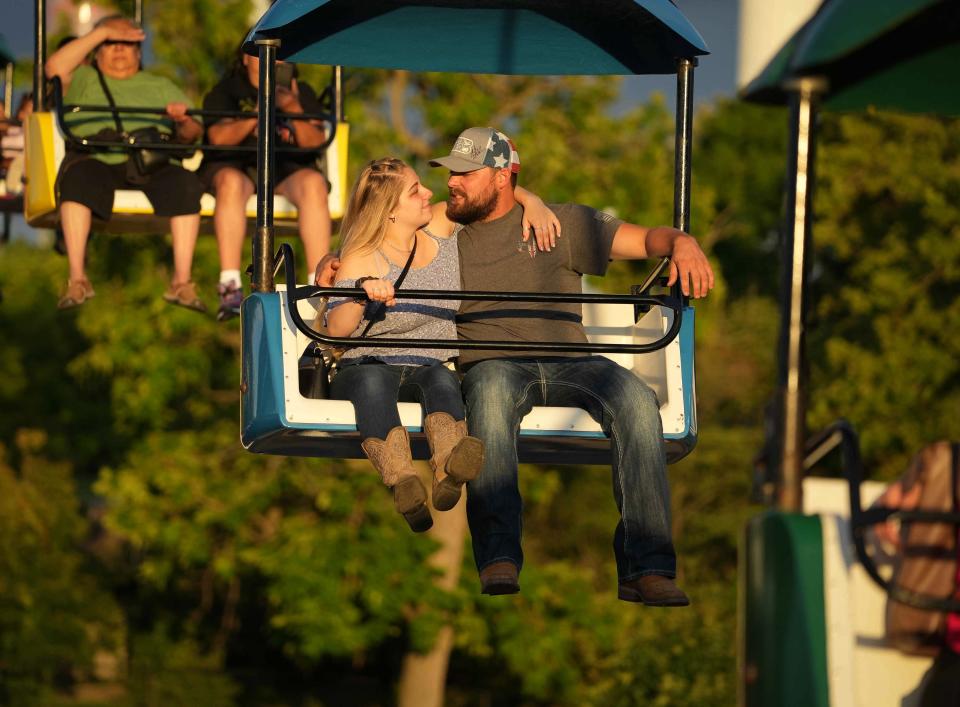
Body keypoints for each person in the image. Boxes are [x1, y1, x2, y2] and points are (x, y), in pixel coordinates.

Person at [427, 127, 715, 603]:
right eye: (451, 172)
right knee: (491, 393)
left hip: (570, 361)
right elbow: (381, 228)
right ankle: (498, 553)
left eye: (464, 172)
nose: (452, 182)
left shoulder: (564, 223)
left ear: (501, 178)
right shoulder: (446, 228)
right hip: (495, 361)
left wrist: (683, 242)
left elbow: (646, 240)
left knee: (637, 400)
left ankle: (647, 566)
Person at [326, 156, 560, 533]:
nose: (428, 193)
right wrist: (359, 293)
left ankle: (450, 467)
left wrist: (533, 202)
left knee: (442, 382)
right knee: (371, 384)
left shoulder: (438, 225)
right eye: (415, 190)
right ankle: (402, 480)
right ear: (389, 210)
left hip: (430, 360)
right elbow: (336, 331)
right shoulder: (362, 255)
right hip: (369, 361)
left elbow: (491, 191)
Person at [45, 15, 206, 311]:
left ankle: (181, 281)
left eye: (126, 42)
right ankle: (77, 278)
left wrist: (182, 120)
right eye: (110, 43)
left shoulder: (159, 84)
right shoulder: (81, 78)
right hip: (96, 157)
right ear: (96, 49)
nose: (118, 48)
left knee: (186, 184)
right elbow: (53, 68)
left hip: (147, 161)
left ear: (138, 50)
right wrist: (102, 30)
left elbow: (193, 132)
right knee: (77, 179)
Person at [200, 47, 331, 321]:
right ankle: (230, 285)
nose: (273, 60)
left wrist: (293, 107)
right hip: (237, 164)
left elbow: (316, 142)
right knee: (231, 183)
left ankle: (319, 287)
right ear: (246, 57)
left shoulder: (301, 93)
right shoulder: (226, 90)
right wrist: (259, 110)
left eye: (281, 54)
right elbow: (218, 138)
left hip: (286, 167)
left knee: (314, 184)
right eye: (264, 52)